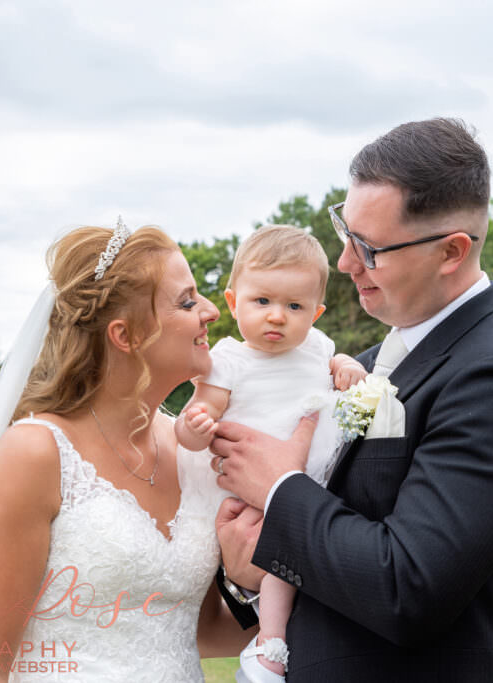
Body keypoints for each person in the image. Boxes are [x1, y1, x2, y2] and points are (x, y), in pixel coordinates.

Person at [212, 118, 493, 681]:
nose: (344, 264)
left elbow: (409, 588)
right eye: (345, 234)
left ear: (451, 251)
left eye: (369, 248)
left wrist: (281, 492)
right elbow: (323, 565)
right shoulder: (363, 361)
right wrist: (248, 572)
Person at [0, 221, 254, 682]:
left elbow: (201, 628)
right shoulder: (36, 454)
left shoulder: (195, 449)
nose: (209, 311)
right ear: (125, 336)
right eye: (187, 301)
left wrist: (296, 595)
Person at [173, 225, 366, 681]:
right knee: (280, 558)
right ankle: (270, 644)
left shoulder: (317, 347)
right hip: (248, 485)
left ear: (316, 313)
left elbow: (335, 364)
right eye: (263, 302)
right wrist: (193, 427)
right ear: (233, 301)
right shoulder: (230, 360)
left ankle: (276, 642)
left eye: (294, 306)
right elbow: (198, 415)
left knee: (302, 553)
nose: (277, 316)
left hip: (312, 480)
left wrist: (349, 366)